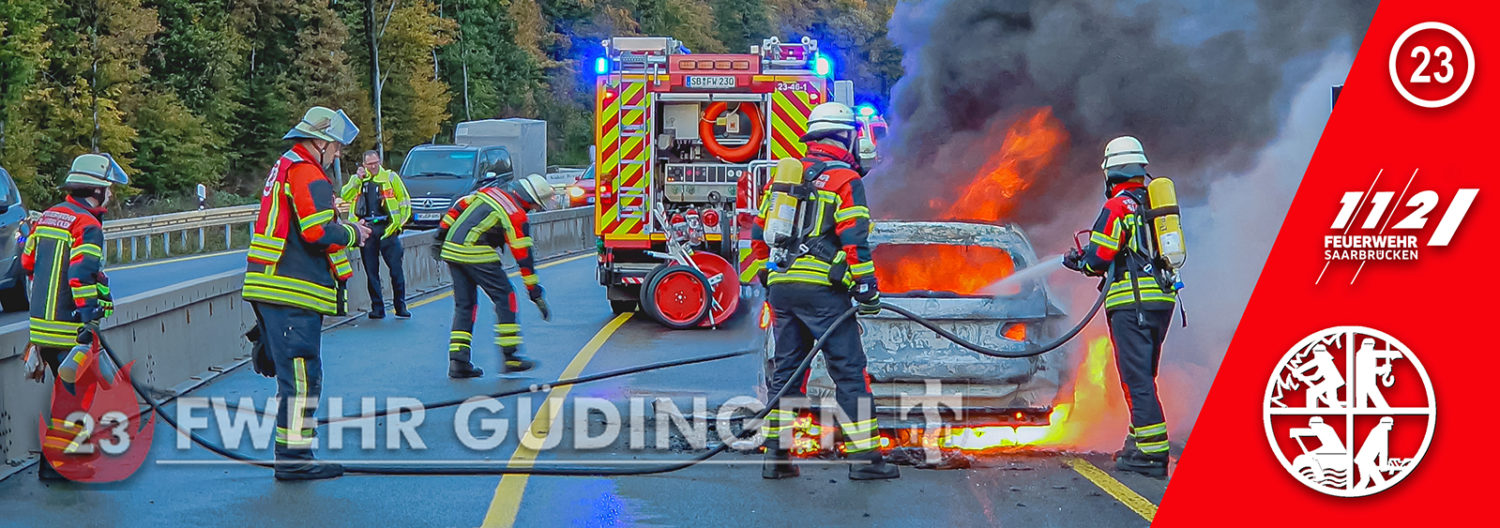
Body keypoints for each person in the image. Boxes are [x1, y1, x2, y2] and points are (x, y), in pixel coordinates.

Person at [744, 102, 898, 481]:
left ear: (813, 137)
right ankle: (865, 460)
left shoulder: (785, 178)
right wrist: (866, 287)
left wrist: (769, 273)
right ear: (846, 136)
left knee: (787, 373)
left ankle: (777, 459)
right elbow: (854, 239)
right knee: (848, 372)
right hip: (823, 294)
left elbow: (758, 235)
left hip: (781, 290)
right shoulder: (846, 180)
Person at [244, 106, 371, 480]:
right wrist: (353, 233)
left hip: (274, 285)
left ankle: (296, 453)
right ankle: (294, 459)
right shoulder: (305, 171)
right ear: (318, 141)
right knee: (302, 376)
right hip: (290, 289)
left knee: (296, 375)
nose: (338, 153)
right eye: (334, 146)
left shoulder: (287, 166)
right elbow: (317, 232)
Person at [1063, 136, 1178, 478]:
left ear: (1110, 175)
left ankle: (1152, 454)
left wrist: (1079, 262)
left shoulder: (1118, 207)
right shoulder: (1154, 205)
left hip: (1132, 303)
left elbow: (1098, 260)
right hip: (1162, 301)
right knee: (1143, 375)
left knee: (1136, 378)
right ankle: (1137, 441)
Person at [22, 154, 128, 481]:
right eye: (108, 190)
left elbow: (27, 262)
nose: (110, 196)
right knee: (75, 398)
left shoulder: (49, 216)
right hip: (70, 330)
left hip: (41, 328)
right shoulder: (88, 225)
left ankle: (61, 462)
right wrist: (89, 321)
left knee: (67, 395)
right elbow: (80, 275)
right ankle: (59, 467)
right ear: (95, 191)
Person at [437, 174, 553, 379]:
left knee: (465, 305)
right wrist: (534, 292)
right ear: (530, 200)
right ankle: (511, 357)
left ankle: (458, 361)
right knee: (506, 297)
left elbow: (459, 206)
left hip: (451, 249)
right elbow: (523, 257)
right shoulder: (516, 214)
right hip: (475, 251)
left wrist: (440, 235)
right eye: (536, 206)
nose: (535, 210)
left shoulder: (491, 192)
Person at [341, 149, 413, 319]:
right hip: (367, 230)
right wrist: (356, 179)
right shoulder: (359, 180)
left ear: (380, 161)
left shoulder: (390, 178)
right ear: (364, 164)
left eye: (376, 163)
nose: (373, 166)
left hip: (387, 229)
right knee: (371, 272)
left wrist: (398, 225)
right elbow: (345, 195)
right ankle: (377, 308)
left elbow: (405, 202)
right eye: (369, 164)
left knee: (396, 270)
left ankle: (400, 306)